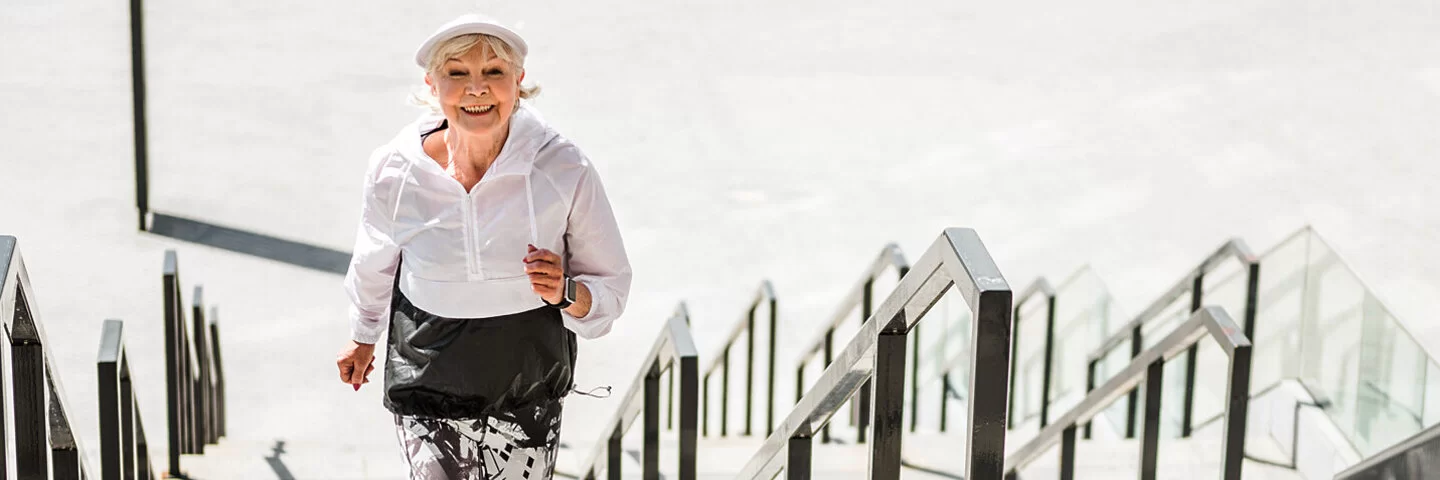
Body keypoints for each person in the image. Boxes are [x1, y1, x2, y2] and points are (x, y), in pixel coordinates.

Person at [334, 14, 632, 479]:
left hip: (527, 382)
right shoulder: (395, 170)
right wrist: (362, 335)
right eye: (458, 74)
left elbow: (610, 287)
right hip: (426, 375)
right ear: (432, 85)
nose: (477, 89)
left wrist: (565, 291)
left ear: (519, 81)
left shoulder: (563, 166)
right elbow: (373, 262)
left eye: (493, 72)